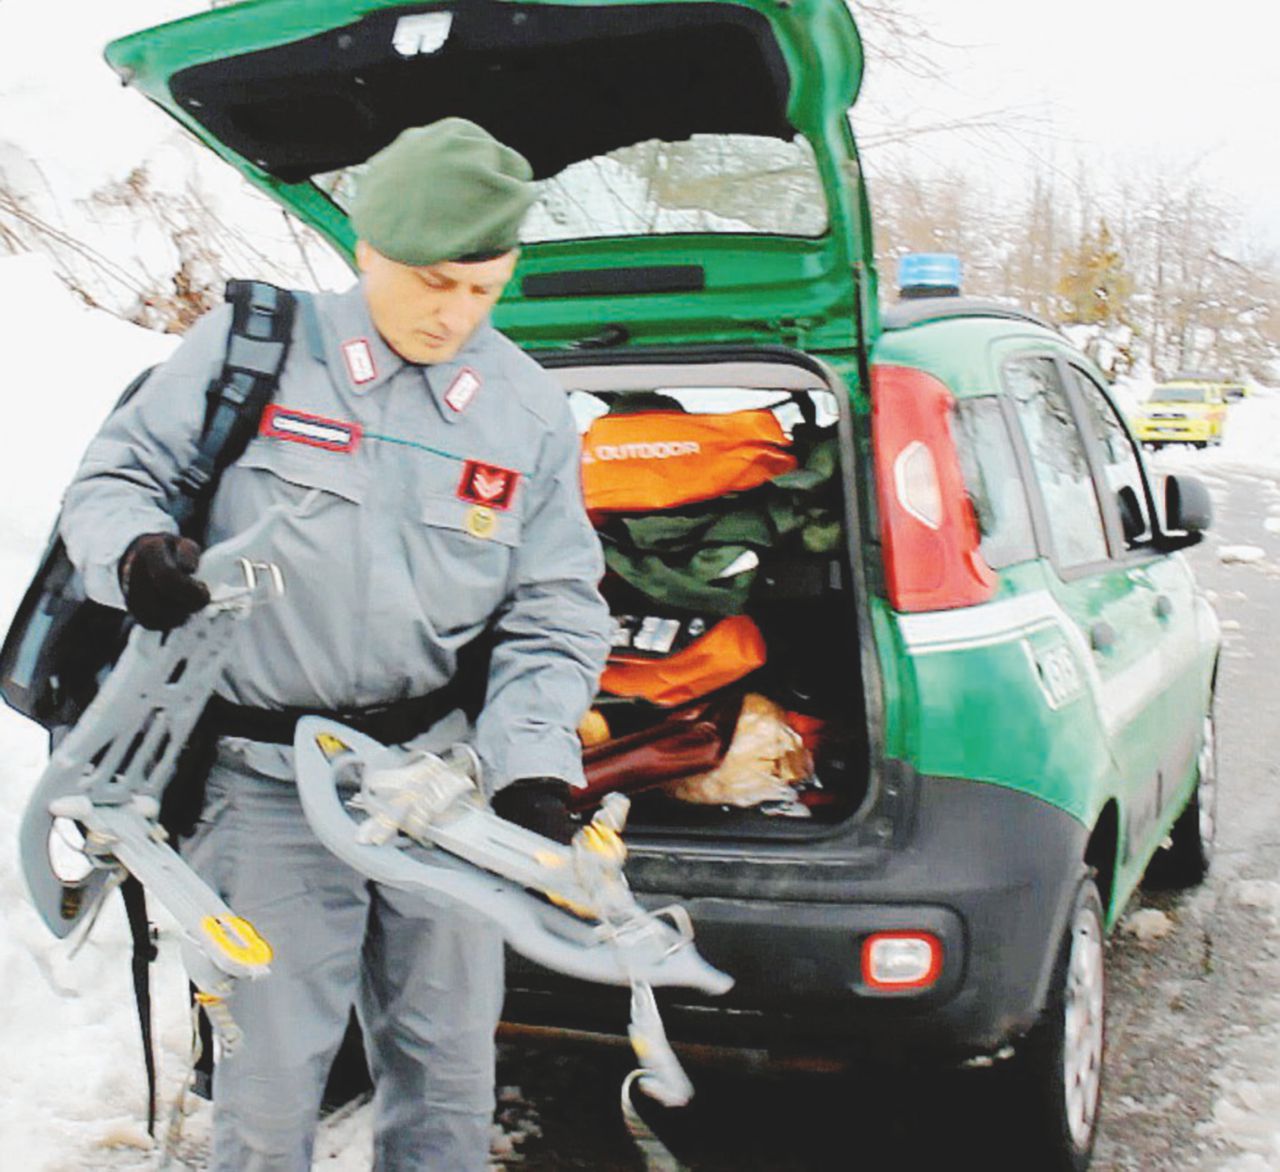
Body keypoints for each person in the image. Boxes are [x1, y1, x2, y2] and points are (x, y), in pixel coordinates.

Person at [58, 118, 612, 1171]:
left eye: (484, 289)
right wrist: (134, 555)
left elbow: (555, 605)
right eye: (435, 282)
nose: (456, 314)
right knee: (268, 1094)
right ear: (369, 248)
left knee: (447, 1078)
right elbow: (115, 480)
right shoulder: (253, 351)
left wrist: (533, 765)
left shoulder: (528, 411)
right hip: (264, 787)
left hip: (437, 787)